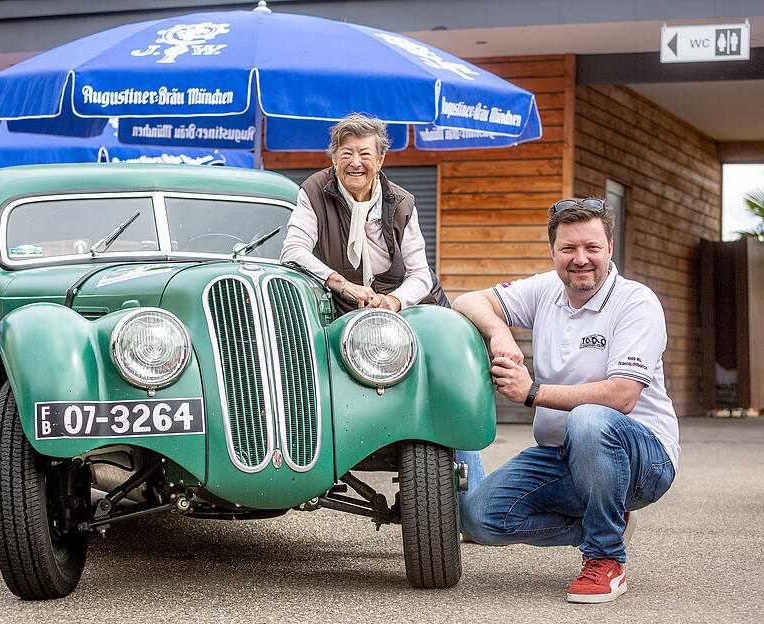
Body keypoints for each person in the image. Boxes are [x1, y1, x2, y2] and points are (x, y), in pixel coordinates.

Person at [452, 198, 680, 604]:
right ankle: (604, 521)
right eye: (568, 249)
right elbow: (468, 300)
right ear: (553, 251)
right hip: (560, 457)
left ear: (610, 249)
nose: (580, 259)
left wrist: (532, 393)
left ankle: (605, 558)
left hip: (643, 462)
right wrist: (500, 333)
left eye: (592, 248)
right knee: (479, 517)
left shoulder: (636, 302)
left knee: (591, 418)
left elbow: (623, 396)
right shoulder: (545, 290)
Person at [279, 112, 485, 490]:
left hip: (409, 303)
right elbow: (293, 251)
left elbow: (421, 274)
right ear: (333, 158)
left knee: (447, 374)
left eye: (364, 153)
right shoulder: (312, 190)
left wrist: (394, 302)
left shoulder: (401, 201)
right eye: (345, 153)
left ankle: (470, 489)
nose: (355, 162)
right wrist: (343, 285)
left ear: (381, 159)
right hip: (346, 303)